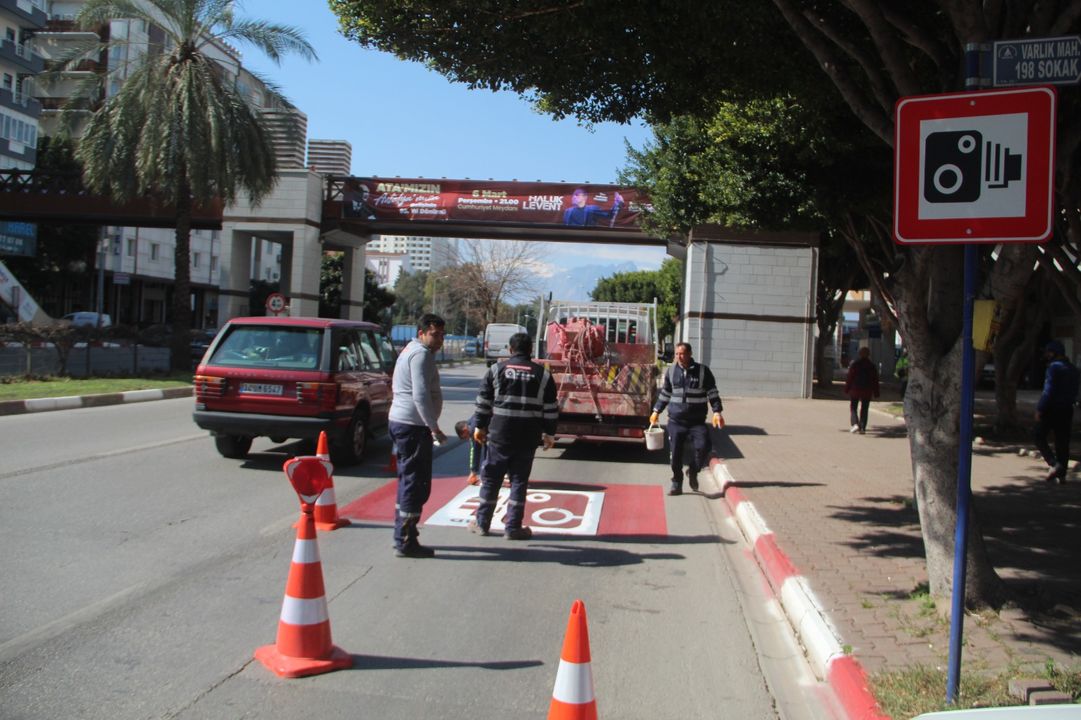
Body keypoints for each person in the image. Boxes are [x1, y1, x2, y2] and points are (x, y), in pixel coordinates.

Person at [468, 332, 558, 539]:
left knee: (491, 479)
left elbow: (483, 403)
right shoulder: (542, 374)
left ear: (510, 349)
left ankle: (482, 523)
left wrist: (480, 427)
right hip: (528, 436)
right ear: (531, 350)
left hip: (500, 434)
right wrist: (549, 433)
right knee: (519, 481)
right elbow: (551, 408)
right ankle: (513, 527)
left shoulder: (496, 370)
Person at [388, 313, 447, 558]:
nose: (439, 340)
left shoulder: (412, 350)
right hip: (412, 426)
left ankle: (403, 536)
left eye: (442, 335)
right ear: (421, 333)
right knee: (415, 483)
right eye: (435, 334)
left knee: (408, 481)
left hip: (405, 423)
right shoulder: (421, 354)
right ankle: (406, 539)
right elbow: (420, 395)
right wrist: (433, 427)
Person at [649, 342, 724, 496]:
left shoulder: (703, 371)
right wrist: (656, 411)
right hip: (676, 421)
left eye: (682, 354)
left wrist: (717, 412)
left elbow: (712, 392)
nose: (679, 357)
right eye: (677, 354)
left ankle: (693, 470)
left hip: (697, 422)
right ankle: (677, 482)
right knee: (675, 454)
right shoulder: (671, 372)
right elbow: (665, 394)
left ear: (690, 354)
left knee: (704, 447)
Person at [1033, 340, 1080, 484]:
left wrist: (1040, 409)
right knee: (1062, 441)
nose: (1046, 355)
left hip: (1052, 409)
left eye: (1048, 352)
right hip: (1067, 409)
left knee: (1038, 435)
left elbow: (1048, 391)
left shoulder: (1053, 368)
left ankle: (1054, 464)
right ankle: (1062, 474)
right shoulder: (1073, 369)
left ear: (1053, 353)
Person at [845, 346, 880, 435]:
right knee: (864, 408)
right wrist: (876, 392)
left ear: (859, 354)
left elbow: (850, 378)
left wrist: (847, 388)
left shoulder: (855, 364)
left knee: (853, 407)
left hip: (855, 389)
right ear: (869, 355)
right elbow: (875, 380)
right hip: (867, 390)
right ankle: (863, 427)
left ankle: (855, 423)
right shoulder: (872, 366)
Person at [454, 415, 485, 485]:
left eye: (466, 436)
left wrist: (473, 472)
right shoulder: (472, 419)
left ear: (465, 430)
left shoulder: (473, 430)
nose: (469, 438)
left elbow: (475, 450)